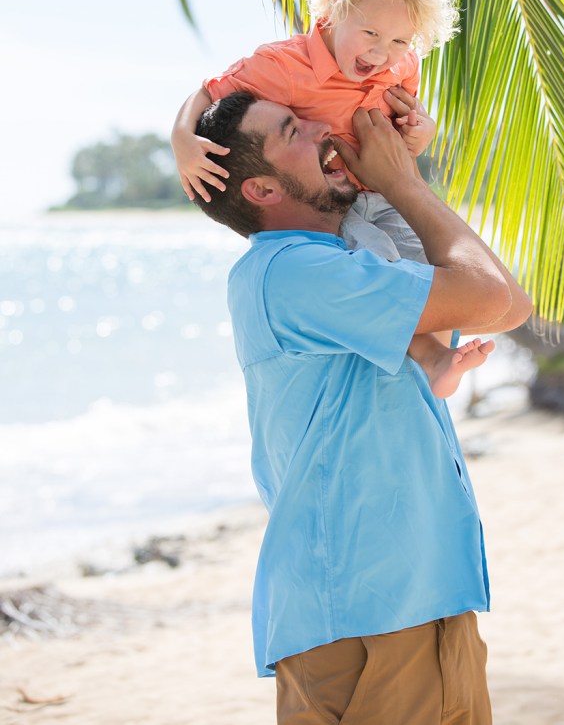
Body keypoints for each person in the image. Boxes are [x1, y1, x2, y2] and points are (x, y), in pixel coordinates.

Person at [191, 90, 533, 725]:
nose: (323, 126)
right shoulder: (291, 272)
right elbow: (500, 301)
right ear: (262, 189)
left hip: (422, 597)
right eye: (293, 129)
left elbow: (489, 300)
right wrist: (404, 184)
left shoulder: (345, 262)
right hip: (365, 613)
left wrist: (394, 186)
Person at [172, 0, 488, 397]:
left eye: (402, 41)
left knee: (432, 266)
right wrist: (181, 139)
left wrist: (423, 131)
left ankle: (429, 364)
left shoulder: (402, 66)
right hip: (337, 204)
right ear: (336, 5)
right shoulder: (283, 66)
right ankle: (429, 359)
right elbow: (207, 90)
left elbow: (408, 120)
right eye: (371, 33)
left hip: (385, 192)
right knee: (378, 268)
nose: (382, 53)